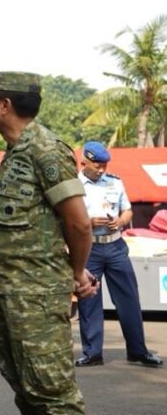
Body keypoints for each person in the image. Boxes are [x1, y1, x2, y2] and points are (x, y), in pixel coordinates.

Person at [0, 72, 97, 415]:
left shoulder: (45, 149)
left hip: (38, 291)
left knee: (51, 383)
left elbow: (79, 223)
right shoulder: (16, 152)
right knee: (23, 378)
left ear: (4, 104)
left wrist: (74, 273)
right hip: (11, 292)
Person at [74, 141, 162, 368]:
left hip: (115, 247)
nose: (101, 170)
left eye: (104, 165)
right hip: (89, 247)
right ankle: (92, 353)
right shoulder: (73, 185)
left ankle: (138, 351)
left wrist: (120, 221)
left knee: (129, 299)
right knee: (89, 300)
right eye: (97, 165)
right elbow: (68, 218)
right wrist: (89, 222)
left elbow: (127, 211)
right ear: (84, 161)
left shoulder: (115, 182)